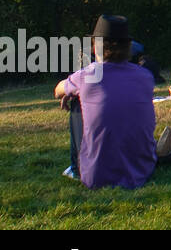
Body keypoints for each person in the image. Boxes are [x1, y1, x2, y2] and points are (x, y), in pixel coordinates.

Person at [54, 15, 158, 189]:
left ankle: (75, 168)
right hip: (143, 170)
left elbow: (58, 90)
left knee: (77, 104)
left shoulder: (87, 75)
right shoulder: (145, 76)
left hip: (96, 176)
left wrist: (72, 92)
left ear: (96, 46)